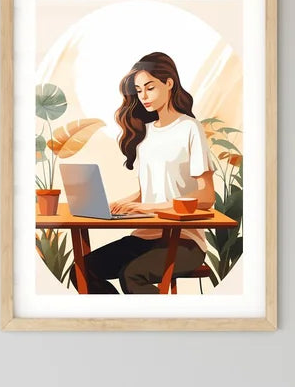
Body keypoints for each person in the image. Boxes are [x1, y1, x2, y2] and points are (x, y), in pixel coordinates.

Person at [82, 51, 213, 295]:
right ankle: (121, 323)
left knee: (132, 275)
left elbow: (206, 197)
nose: (143, 96)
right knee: (83, 270)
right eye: (139, 90)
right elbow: (149, 189)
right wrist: (123, 202)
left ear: (169, 83)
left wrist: (151, 208)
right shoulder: (145, 134)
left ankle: (159, 326)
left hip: (184, 241)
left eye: (150, 88)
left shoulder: (189, 128)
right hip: (145, 236)